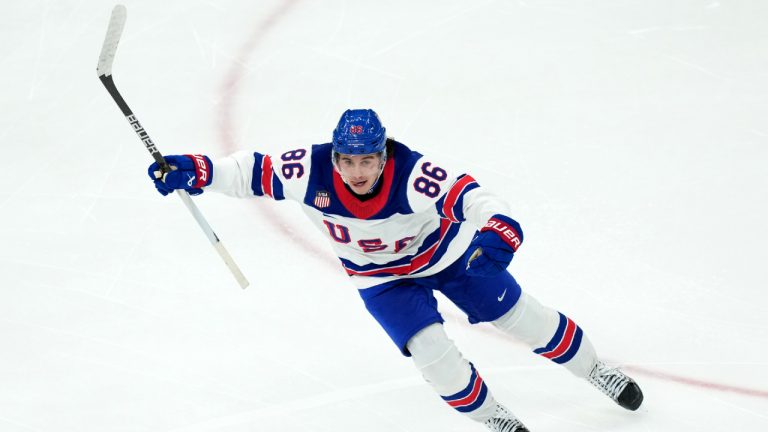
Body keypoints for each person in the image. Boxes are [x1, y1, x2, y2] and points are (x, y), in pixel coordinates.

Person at [147, 109, 643, 431]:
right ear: (334, 156)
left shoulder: (414, 174)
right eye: (347, 161)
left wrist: (499, 232)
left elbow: (481, 200)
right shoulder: (309, 171)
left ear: (384, 155)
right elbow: (247, 172)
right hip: (381, 280)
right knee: (432, 355)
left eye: (367, 160)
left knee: (524, 319)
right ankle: (496, 419)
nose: (356, 172)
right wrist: (196, 169)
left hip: (448, 258)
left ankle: (596, 370)